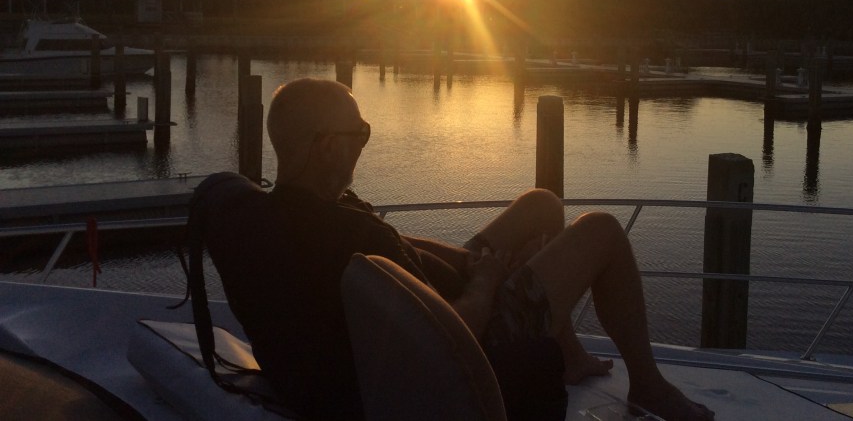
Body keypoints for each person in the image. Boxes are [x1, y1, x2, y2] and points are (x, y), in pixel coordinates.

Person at [207, 77, 714, 421]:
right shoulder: (348, 236)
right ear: (328, 147)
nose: (365, 140)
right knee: (601, 230)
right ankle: (647, 383)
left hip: (436, 299)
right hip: (471, 334)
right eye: (359, 131)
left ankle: (572, 356)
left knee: (540, 205)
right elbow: (449, 333)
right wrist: (487, 282)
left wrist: (469, 262)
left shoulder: (289, 216)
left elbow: (395, 249)